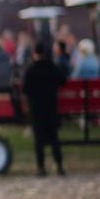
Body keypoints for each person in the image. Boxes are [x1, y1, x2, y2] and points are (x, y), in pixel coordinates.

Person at [22, 43, 67, 177]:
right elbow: (63, 81)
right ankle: (59, 165)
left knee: (39, 139)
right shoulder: (53, 67)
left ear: (34, 54)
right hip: (51, 108)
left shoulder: (31, 70)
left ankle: (41, 167)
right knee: (54, 137)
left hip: (36, 109)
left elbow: (25, 89)